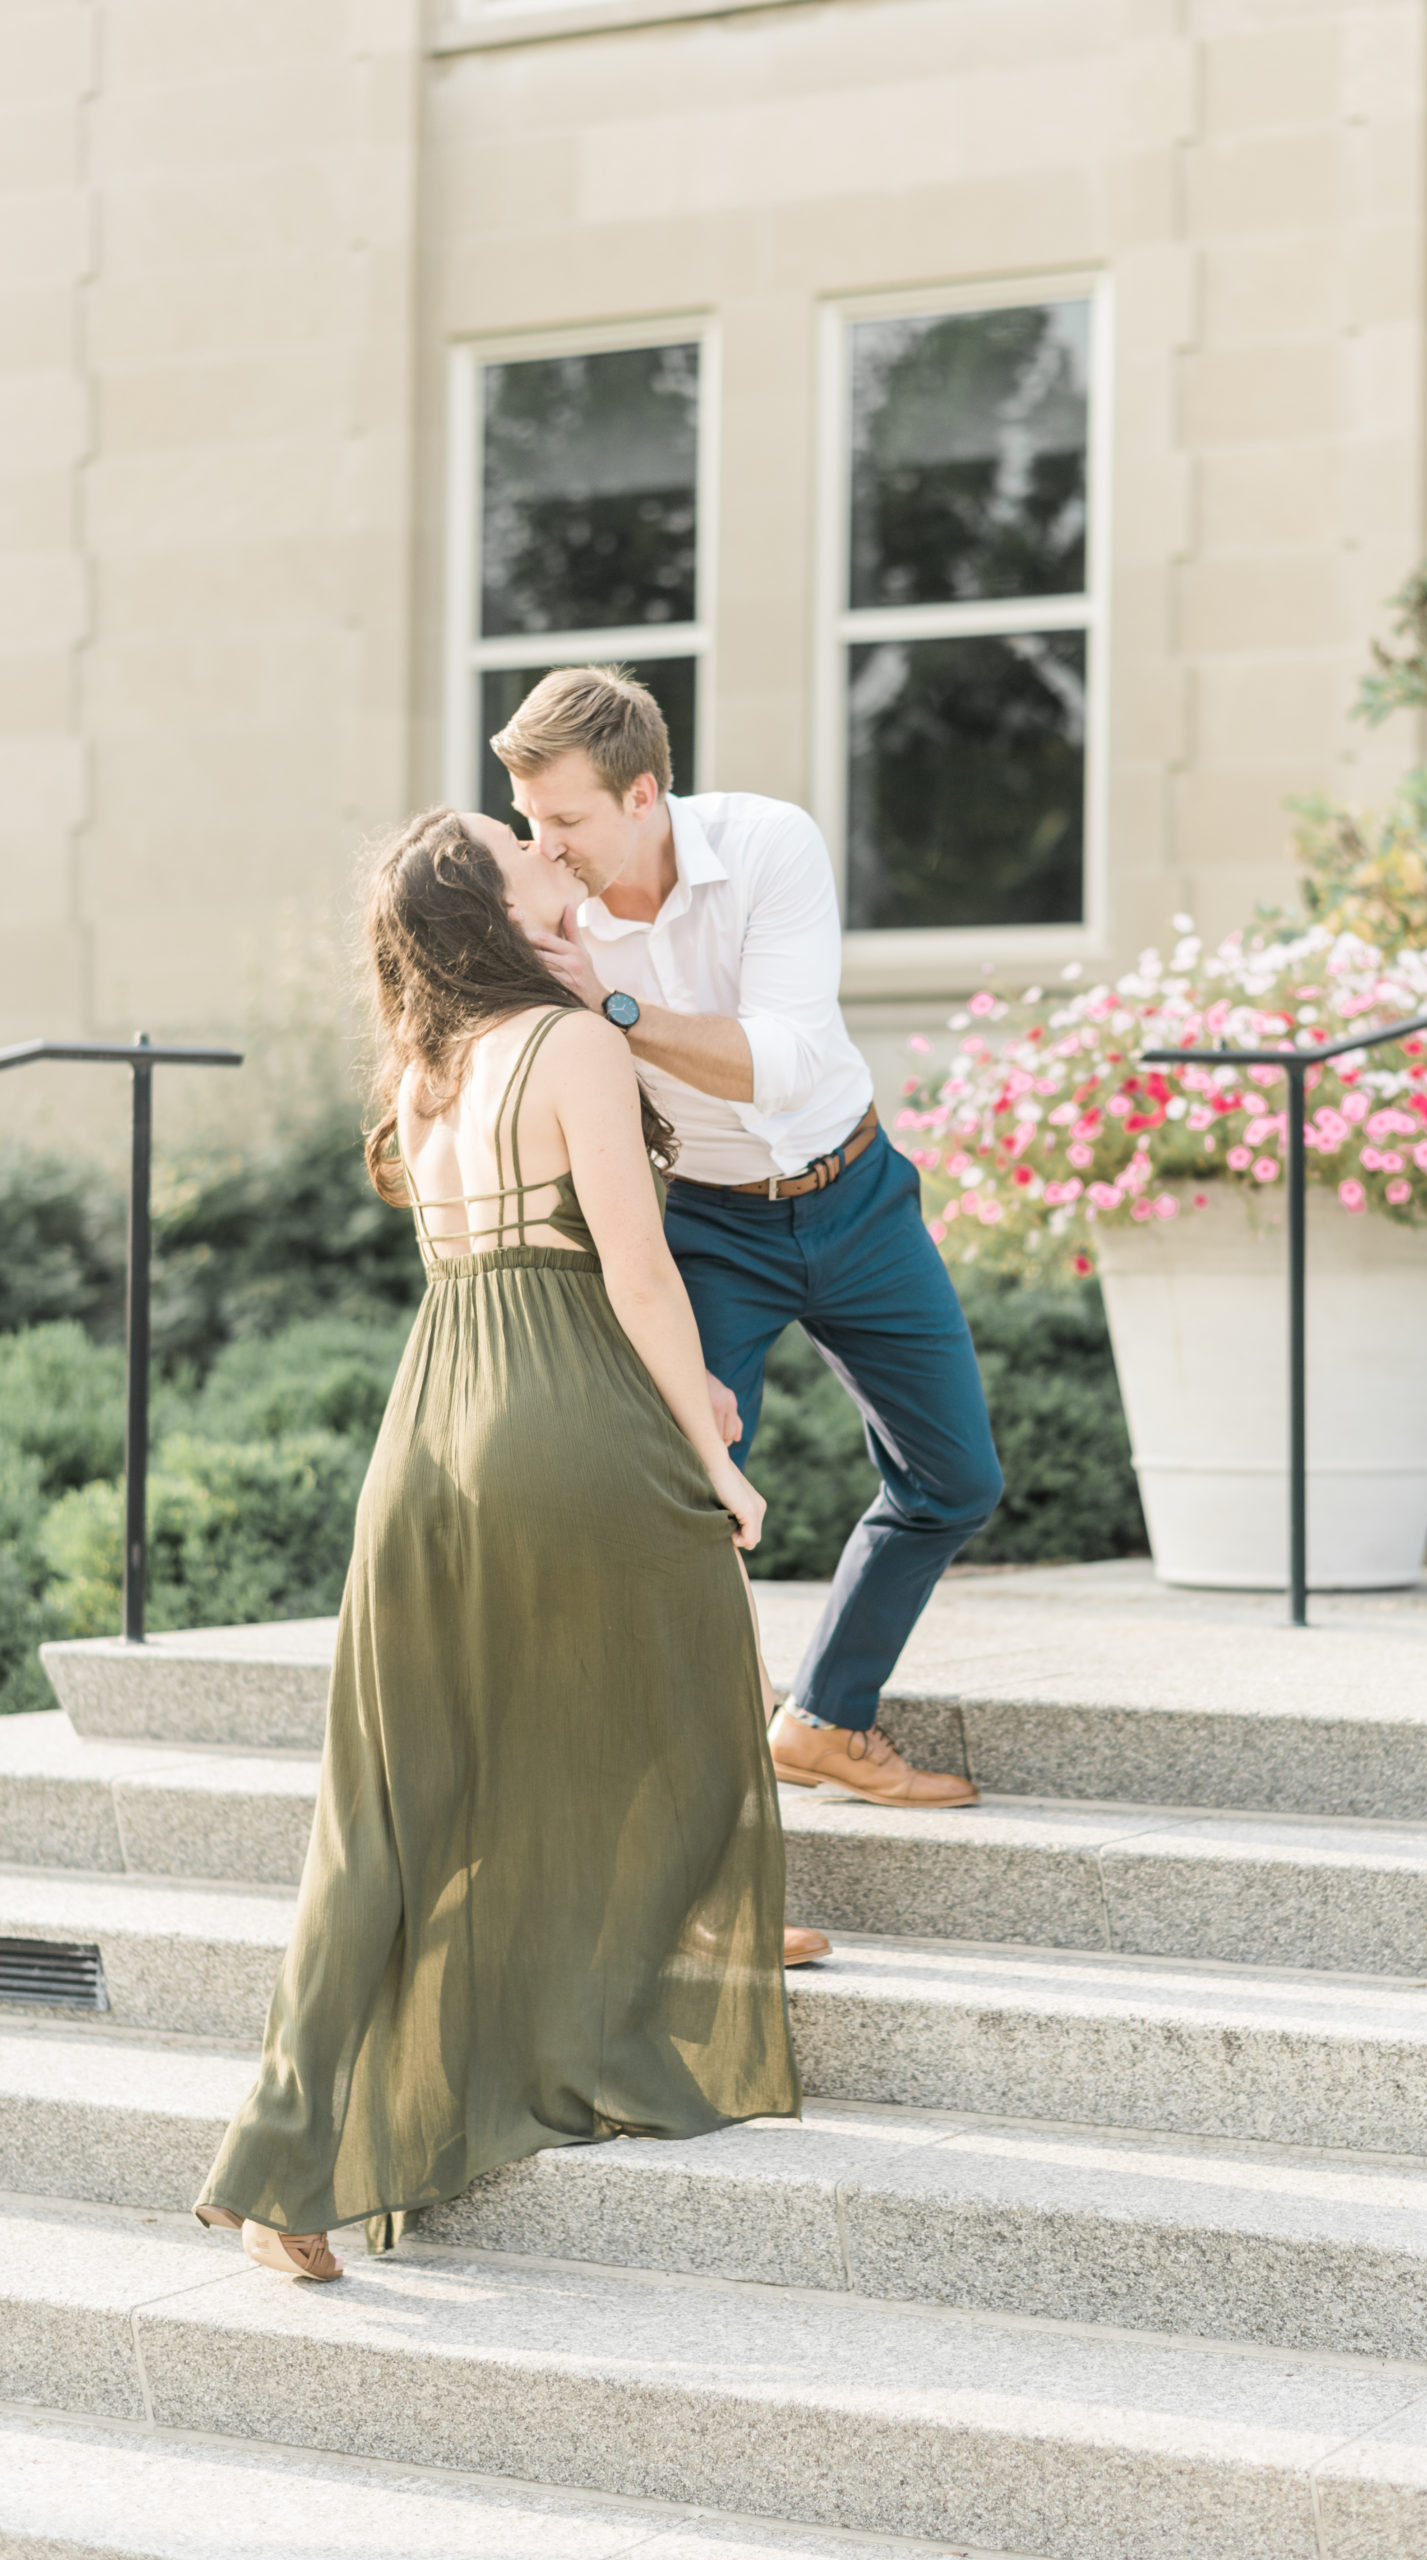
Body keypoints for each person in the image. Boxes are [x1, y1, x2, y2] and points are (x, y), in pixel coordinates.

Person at [193, 806, 805, 2281]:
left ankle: (282, 2160)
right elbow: (641, 1277)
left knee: (391, 1807)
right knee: (684, 1692)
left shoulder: (424, 1070)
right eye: (517, 845)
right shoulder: (574, 1045)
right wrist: (717, 1455)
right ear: (490, 897)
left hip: (429, 1434)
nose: (550, 848)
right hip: (561, 1419)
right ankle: (581, 2014)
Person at [491, 665, 1004, 1810]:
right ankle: (690, 1810)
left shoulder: (769, 845)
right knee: (681, 1501)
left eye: (565, 818)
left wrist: (612, 1006)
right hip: (709, 1230)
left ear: (641, 795)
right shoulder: (542, 921)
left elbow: (778, 1061)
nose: (547, 846)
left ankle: (823, 1719)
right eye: (529, 820)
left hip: (857, 1193)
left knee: (955, 1478)